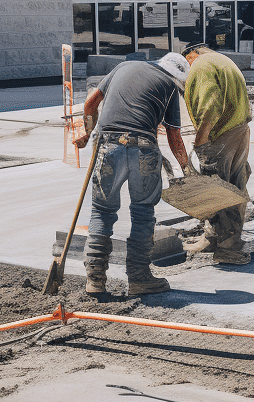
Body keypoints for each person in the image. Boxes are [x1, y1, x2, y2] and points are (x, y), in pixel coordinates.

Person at [73, 53, 192, 297]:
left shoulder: (122, 66)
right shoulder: (169, 86)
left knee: (102, 211)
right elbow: (174, 136)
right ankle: (139, 279)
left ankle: (95, 280)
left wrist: (87, 133)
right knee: (143, 212)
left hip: (107, 146)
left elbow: (89, 105)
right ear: (178, 78)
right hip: (144, 149)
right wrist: (187, 170)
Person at [182, 43, 253, 264]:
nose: (187, 69)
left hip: (219, 136)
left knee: (220, 192)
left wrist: (201, 141)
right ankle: (212, 238)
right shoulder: (223, 61)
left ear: (192, 55)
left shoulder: (201, 65)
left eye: (186, 63)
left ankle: (228, 249)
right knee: (234, 186)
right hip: (239, 130)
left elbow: (210, 106)